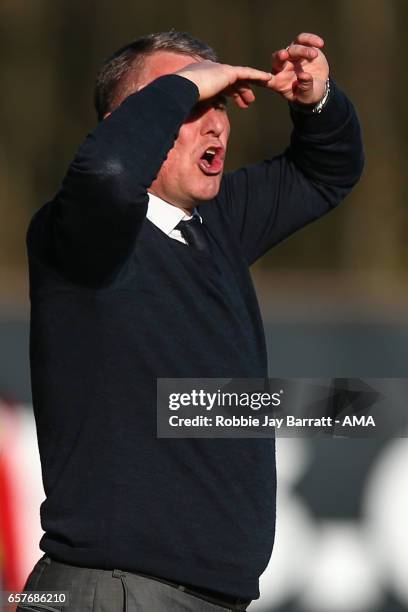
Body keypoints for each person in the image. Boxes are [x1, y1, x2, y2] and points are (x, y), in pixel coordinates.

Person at [21, 30, 363, 612]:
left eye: (220, 104)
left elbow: (325, 173)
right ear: (134, 121)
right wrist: (186, 85)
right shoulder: (84, 234)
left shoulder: (215, 222)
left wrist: (317, 101)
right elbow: (106, 169)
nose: (217, 122)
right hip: (111, 590)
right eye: (192, 104)